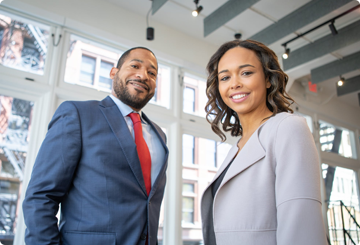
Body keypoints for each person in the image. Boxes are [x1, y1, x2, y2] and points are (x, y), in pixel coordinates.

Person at [22, 47, 169, 245]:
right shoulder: (77, 114)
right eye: (135, 66)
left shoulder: (159, 135)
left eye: (152, 73)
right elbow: (41, 197)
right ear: (113, 72)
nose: (143, 75)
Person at [201, 40, 327, 245]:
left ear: (268, 79)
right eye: (225, 77)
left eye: (246, 73)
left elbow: (301, 227)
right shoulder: (236, 148)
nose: (234, 84)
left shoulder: (288, 128)